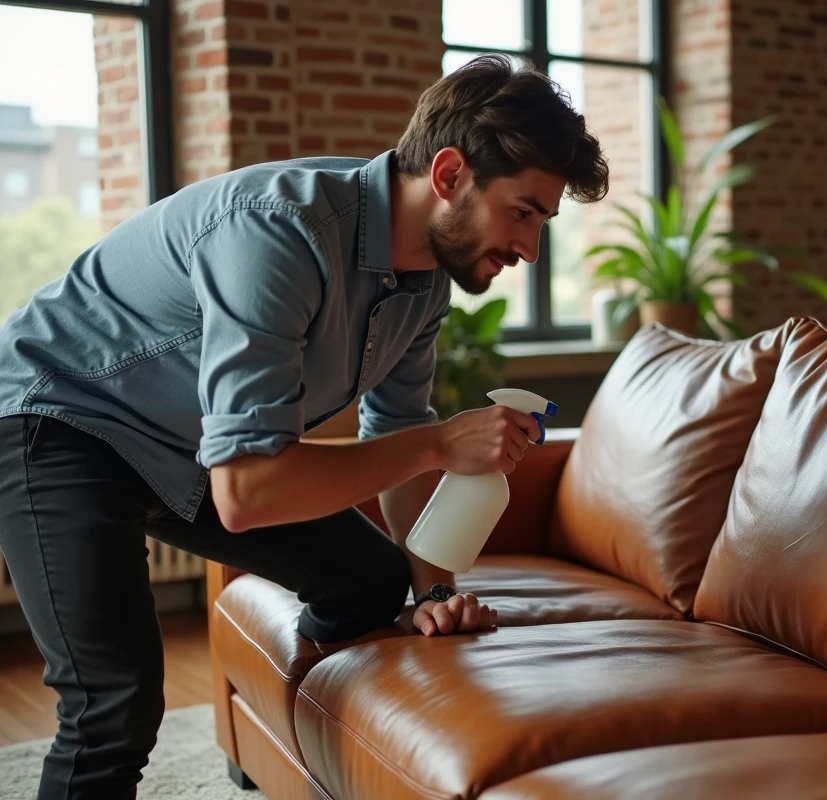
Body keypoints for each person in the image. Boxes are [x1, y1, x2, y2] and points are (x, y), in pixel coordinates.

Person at [0, 53, 609, 799]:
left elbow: (398, 424)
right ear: (448, 175)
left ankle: (305, 730)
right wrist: (441, 442)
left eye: (543, 221)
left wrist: (430, 593)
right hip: (58, 416)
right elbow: (250, 492)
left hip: (185, 446)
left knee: (372, 580)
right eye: (523, 212)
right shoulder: (278, 233)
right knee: (112, 701)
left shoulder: (423, 287)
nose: (530, 248)